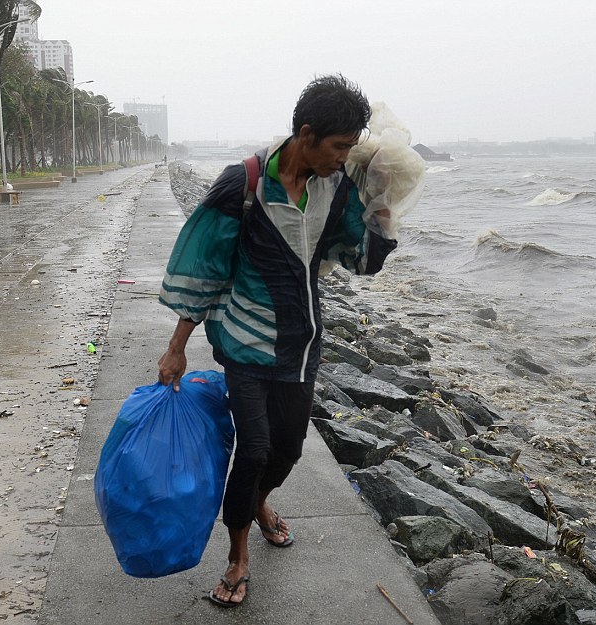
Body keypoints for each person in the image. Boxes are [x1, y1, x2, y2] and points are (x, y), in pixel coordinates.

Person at [157, 74, 397, 608]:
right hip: (246, 342)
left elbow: (362, 261)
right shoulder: (241, 184)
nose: (343, 158)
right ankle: (237, 555)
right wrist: (177, 345)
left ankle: (260, 502)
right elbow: (205, 268)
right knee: (256, 448)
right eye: (338, 147)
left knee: (287, 450)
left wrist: (381, 203)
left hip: (302, 344)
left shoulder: (337, 188)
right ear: (306, 135)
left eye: (350, 148)